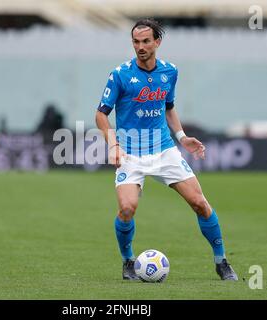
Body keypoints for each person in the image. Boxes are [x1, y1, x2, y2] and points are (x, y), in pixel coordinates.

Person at [95, 18, 238, 281]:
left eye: (146, 41)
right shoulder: (120, 74)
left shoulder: (170, 72)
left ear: (157, 42)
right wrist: (113, 145)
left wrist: (182, 137)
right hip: (130, 153)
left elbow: (168, 106)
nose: (140, 47)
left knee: (200, 203)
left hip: (164, 150)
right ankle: (128, 261)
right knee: (127, 209)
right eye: (136, 42)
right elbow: (101, 115)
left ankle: (222, 261)